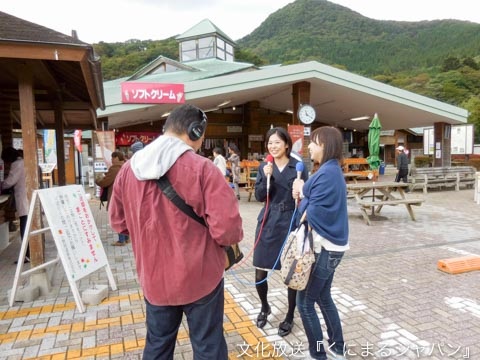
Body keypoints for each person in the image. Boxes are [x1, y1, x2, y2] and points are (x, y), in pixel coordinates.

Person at [108, 104, 243, 359]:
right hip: (201, 279)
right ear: (195, 131)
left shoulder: (127, 170)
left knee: (158, 346)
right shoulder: (203, 168)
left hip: (154, 279)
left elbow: (118, 222)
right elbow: (227, 231)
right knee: (208, 347)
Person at [292, 126, 349, 360]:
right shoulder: (330, 171)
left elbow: (312, 214)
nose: (310, 147)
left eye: (313, 142)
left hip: (326, 249)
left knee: (304, 303)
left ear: (325, 145)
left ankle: (318, 354)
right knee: (323, 296)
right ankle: (337, 347)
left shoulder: (327, 173)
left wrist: (302, 194)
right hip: (333, 248)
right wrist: (304, 193)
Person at [253, 127, 308, 337]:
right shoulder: (264, 167)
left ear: (286, 144)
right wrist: (267, 178)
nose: (273, 146)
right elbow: (259, 196)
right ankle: (265, 306)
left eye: (277, 142)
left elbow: (308, 198)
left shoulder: (299, 167)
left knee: (291, 273)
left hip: (290, 223)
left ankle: (290, 315)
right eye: (269, 143)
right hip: (267, 221)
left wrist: (301, 190)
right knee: (260, 270)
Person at [1, 147, 29, 263]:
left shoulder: (17, 164)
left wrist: (1, 185)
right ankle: (28, 254)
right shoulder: (24, 161)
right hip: (28, 198)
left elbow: (11, 181)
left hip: (24, 199)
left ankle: (27, 255)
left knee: (24, 228)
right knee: (26, 227)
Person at [95, 151, 128, 246]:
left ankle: (121, 240)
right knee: (124, 217)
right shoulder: (126, 166)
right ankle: (126, 238)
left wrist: (98, 178)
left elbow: (104, 182)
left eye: (112, 158)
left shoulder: (115, 168)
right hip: (126, 196)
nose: (111, 160)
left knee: (118, 217)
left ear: (117, 158)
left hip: (117, 197)